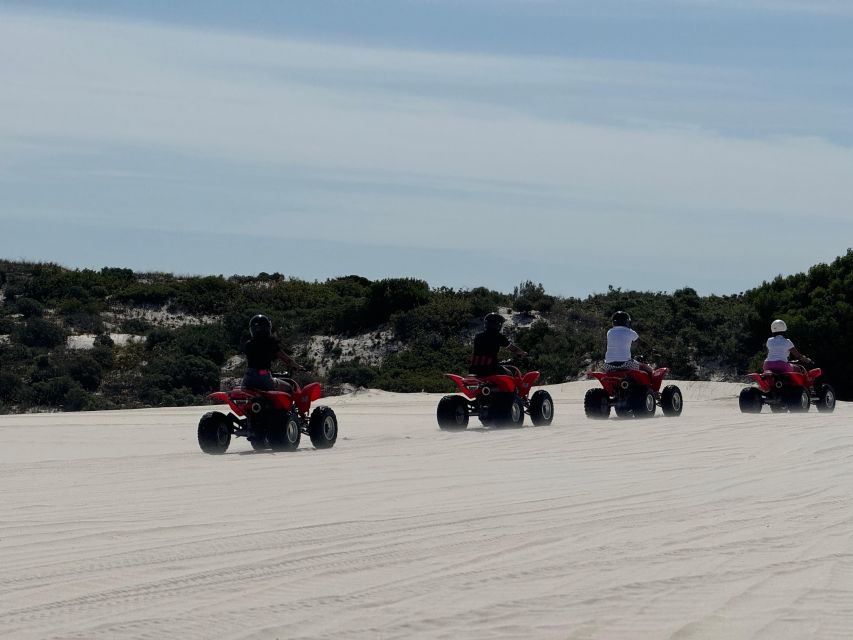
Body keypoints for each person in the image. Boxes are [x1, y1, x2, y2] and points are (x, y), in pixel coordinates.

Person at [241, 314, 304, 393]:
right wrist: (298, 366)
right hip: (263, 377)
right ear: (267, 328)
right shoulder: (271, 343)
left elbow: (255, 362)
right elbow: (286, 359)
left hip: (248, 379)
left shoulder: (248, 344)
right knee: (289, 387)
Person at [603, 310, 655, 377]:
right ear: (626, 322)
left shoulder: (609, 332)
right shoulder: (630, 332)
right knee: (647, 369)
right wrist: (650, 349)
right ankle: (648, 387)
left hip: (608, 365)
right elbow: (642, 344)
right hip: (626, 364)